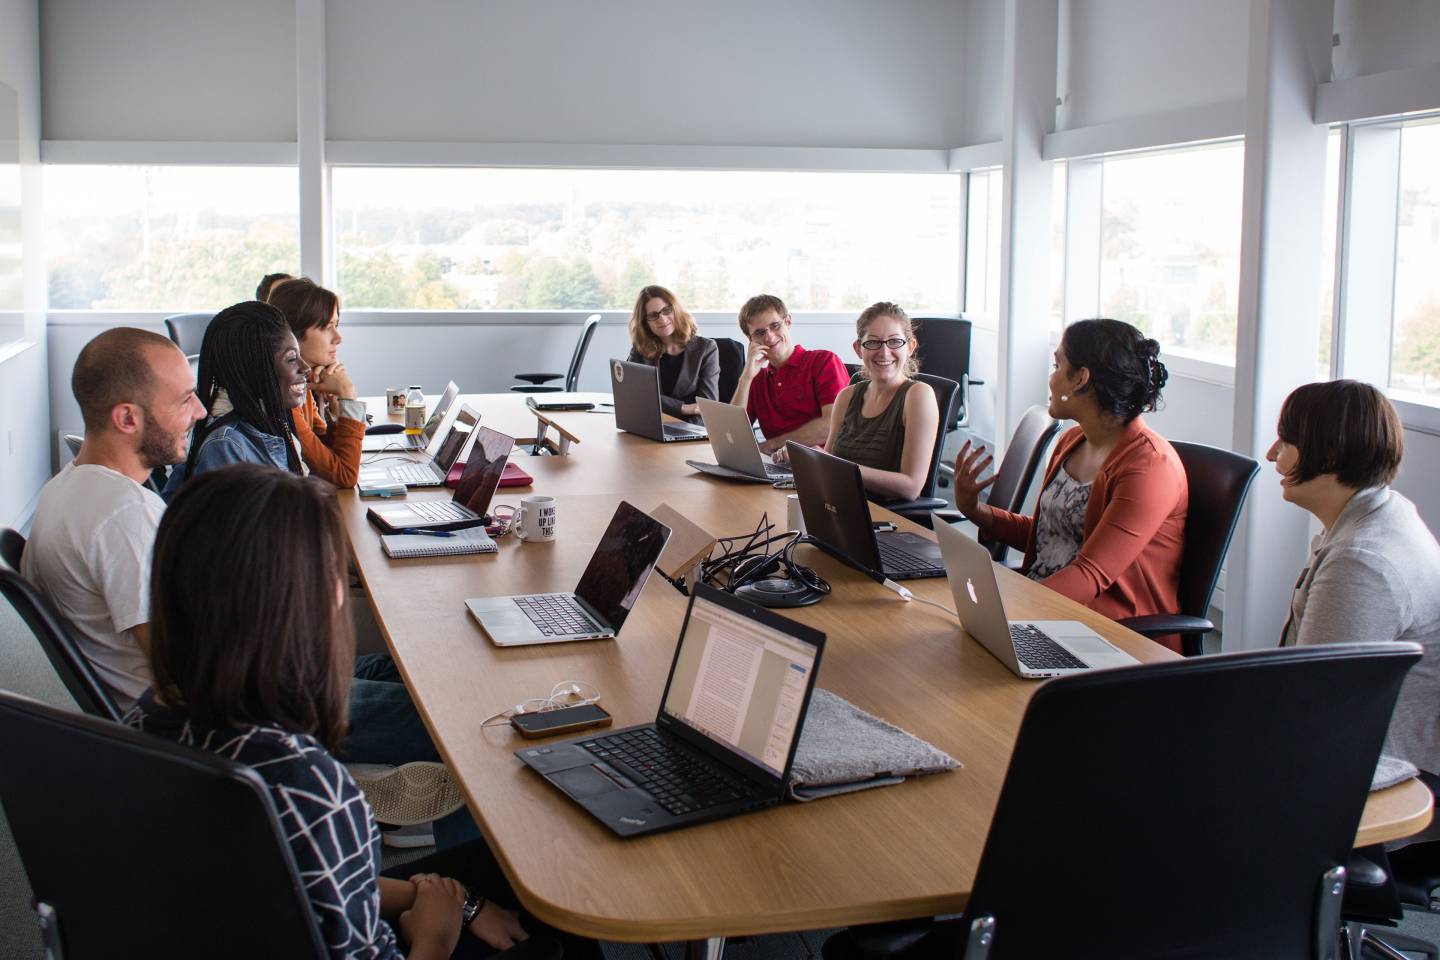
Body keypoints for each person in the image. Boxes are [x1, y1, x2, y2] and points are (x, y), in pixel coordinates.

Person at [126, 465, 569, 960]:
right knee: (556, 914)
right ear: (304, 604)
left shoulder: (141, 724)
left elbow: (300, 875)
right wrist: (435, 936)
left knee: (499, 873)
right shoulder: (313, 790)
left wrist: (456, 901)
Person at [951, 318, 1188, 649]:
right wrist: (975, 511)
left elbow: (1091, 575)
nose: (1050, 378)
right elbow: (1051, 537)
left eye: (1057, 365)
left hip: (1111, 638)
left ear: (1081, 378)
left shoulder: (1149, 466)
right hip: (1050, 614)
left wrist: (1007, 607)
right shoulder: (1073, 440)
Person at [22, 328, 206, 711]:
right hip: (197, 728)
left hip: (150, 719)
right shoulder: (126, 514)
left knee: (367, 667)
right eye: (185, 399)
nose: (200, 411)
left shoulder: (63, 486)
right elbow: (187, 671)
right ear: (127, 418)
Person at [1270, 380, 1440, 774]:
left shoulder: (1360, 562)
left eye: (1284, 441)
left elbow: (1318, 710)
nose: (1271, 455)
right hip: (1364, 752)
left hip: (1386, 774)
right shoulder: (1380, 512)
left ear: (1327, 454)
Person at [163, 300, 310, 495]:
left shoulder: (272, 424)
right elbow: (234, 525)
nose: (305, 367)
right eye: (291, 359)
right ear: (255, 370)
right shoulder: (226, 446)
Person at [814, 302, 938, 501]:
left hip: (885, 520)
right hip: (836, 506)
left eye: (895, 341)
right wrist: (803, 458)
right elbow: (826, 465)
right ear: (858, 349)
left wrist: (841, 468)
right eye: (873, 342)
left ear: (911, 346)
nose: (884, 352)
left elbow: (911, 487)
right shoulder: (846, 396)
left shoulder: (918, 396)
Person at [267, 277, 365, 487]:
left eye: (336, 325)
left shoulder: (302, 383)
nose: (338, 338)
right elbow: (344, 475)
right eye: (326, 327)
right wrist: (348, 395)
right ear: (293, 334)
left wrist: (336, 409)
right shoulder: (282, 397)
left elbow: (327, 453)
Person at [730, 294, 849, 455]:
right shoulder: (756, 379)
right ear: (750, 339)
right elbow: (732, 435)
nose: (769, 337)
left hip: (823, 465)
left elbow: (833, 425)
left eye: (775, 325)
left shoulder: (824, 361)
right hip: (778, 468)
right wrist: (746, 378)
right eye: (759, 332)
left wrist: (773, 444)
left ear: (788, 322)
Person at [626, 285, 718, 422]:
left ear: (676, 310)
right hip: (652, 425)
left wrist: (684, 431)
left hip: (692, 428)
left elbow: (707, 406)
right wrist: (683, 408)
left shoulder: (706, 349)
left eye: (666, 310)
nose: (662, 319)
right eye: (653, 315)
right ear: (645, 323)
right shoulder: (640, 349)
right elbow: (634, 395)